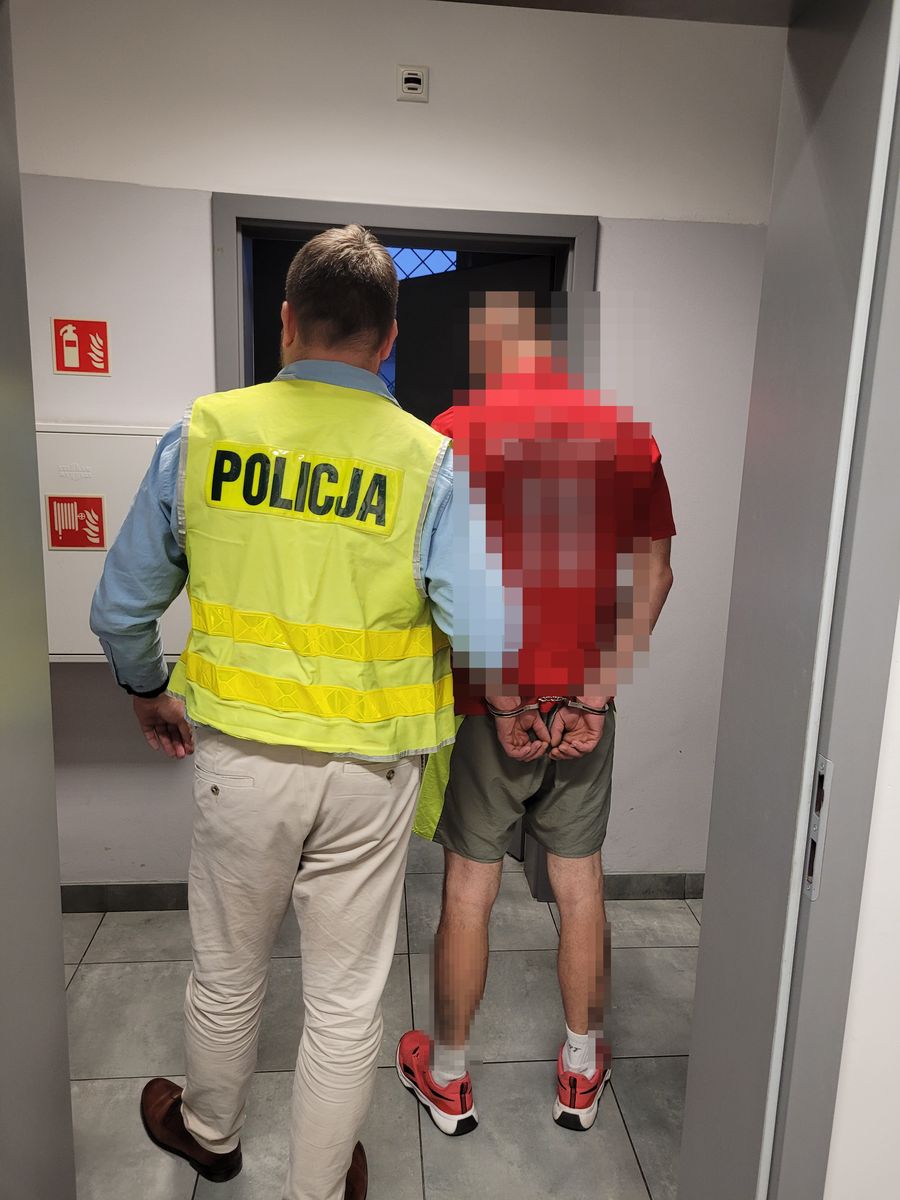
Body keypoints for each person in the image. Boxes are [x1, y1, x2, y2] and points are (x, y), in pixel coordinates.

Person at [90, 225, 457, 1200]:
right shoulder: (430, 462)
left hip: (240, 763)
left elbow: (120, 608)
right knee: (344, 997)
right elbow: (480, 626)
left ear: (286, 321)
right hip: (373, 769)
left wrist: (145, 691)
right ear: (389, 338)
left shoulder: (206, 432)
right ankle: (319, 1186)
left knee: (226, 967)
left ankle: (210, 1133)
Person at [396, 291, 675, 1136]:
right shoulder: (629, 440)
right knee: (580, 886)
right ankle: (581, 1072)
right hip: (585, 705)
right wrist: (595, 694)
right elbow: (656, 576)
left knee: (468, 890)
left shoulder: (451, 435)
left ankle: (449, 1079)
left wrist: (506, 697)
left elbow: (439, 581)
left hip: (489, 707)